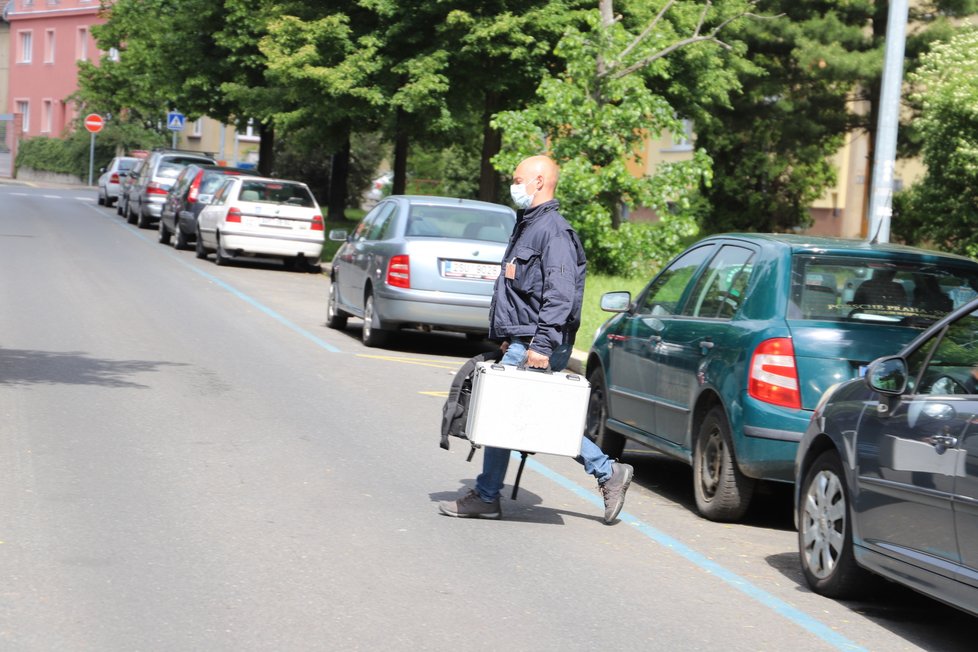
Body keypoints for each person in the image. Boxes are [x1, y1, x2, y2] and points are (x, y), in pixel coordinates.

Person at [438, 155, 634, 525]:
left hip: (538, 343)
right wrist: (508, 337)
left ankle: (487, 495)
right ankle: (606, 471)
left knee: (504, 415)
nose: (514, 185)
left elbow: (559, 294)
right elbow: (521, 290)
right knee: (530, 417)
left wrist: (541, 345)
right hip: (522, 340)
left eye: (517, 179)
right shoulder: (529, 226)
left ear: (539, 181)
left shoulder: (553, 232)